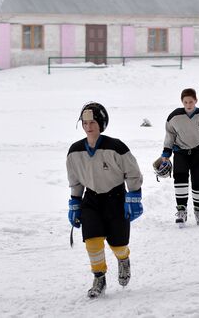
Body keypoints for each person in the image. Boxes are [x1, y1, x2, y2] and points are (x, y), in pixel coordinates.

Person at [66, 102, 143, 299]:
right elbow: (75, 180)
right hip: (90, 200)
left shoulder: (116, 147)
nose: (88, 127)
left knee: (117, 244)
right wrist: (74, 203)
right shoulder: (75, 152)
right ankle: (99, 278)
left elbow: (133, 173)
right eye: (84, 123)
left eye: (92, 122)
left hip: (116, 199)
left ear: (101, 124)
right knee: (92, 241)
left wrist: (133, 196)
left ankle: (123, 259)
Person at [161, 88, 199, 226]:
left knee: (198, 182)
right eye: (186, 102)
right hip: (181, 153)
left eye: (191, 101)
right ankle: (181, 211)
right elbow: (170, 136)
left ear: (196, 101)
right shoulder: (174, 117)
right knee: (180, 180)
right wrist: (166, 153)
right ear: (182, 102)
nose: (188, 104)